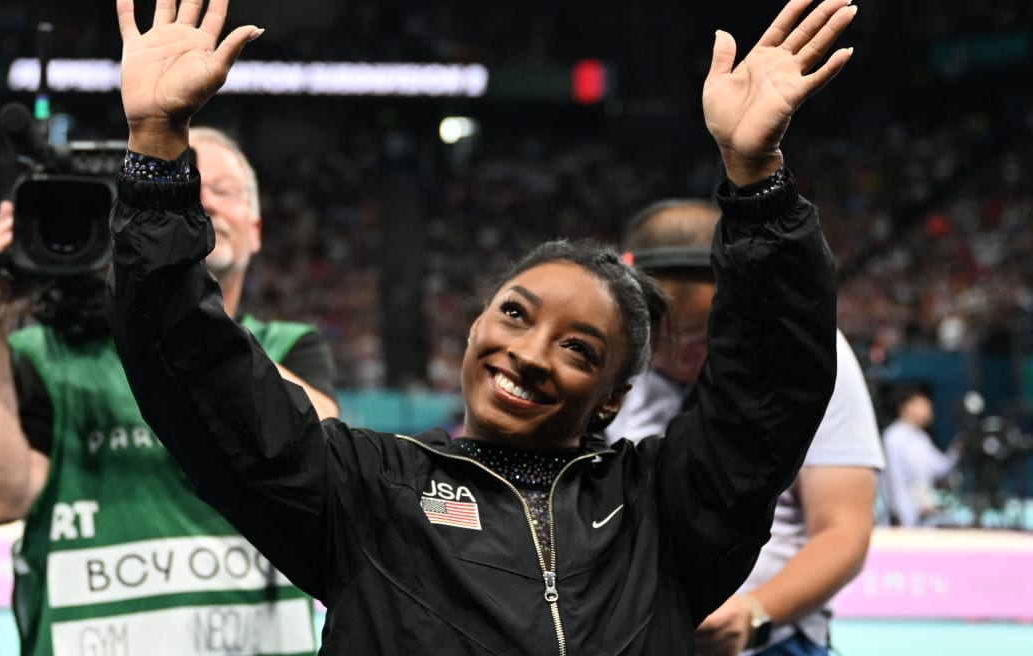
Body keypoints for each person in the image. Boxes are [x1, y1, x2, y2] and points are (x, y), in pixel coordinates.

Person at [107, 0, 854, 652]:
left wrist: (757, 181)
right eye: (515, 314)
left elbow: (771, 386)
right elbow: (195, 374)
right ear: (472, 332)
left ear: (611, 398)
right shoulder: (367, 491)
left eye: (578, 348)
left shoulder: (662, 507)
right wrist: (155, 148)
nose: (529, 354)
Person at [0, 126, 339, 655]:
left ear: (257, 229)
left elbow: (322, 450)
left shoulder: (289, 347)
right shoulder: (45, 356)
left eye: (222, 189)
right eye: (183, 184)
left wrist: (172, 298)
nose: (199, 198)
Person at [608, 199, 885, 655]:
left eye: (702, 337)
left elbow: (844, 530)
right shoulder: (607, 350)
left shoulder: (805, 355)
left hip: (765, 639)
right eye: (659, 339)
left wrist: (753, 613)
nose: (679, 359)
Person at [882, 385, 960, 527]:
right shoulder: (893, 438)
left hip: (922, 516)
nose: (929, 409)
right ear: (905, 407)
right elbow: (894, 482)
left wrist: (959, 446)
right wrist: (902, 517)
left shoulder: (921, 438)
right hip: (901, 519)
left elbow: (941, 468)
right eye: (922, 404)